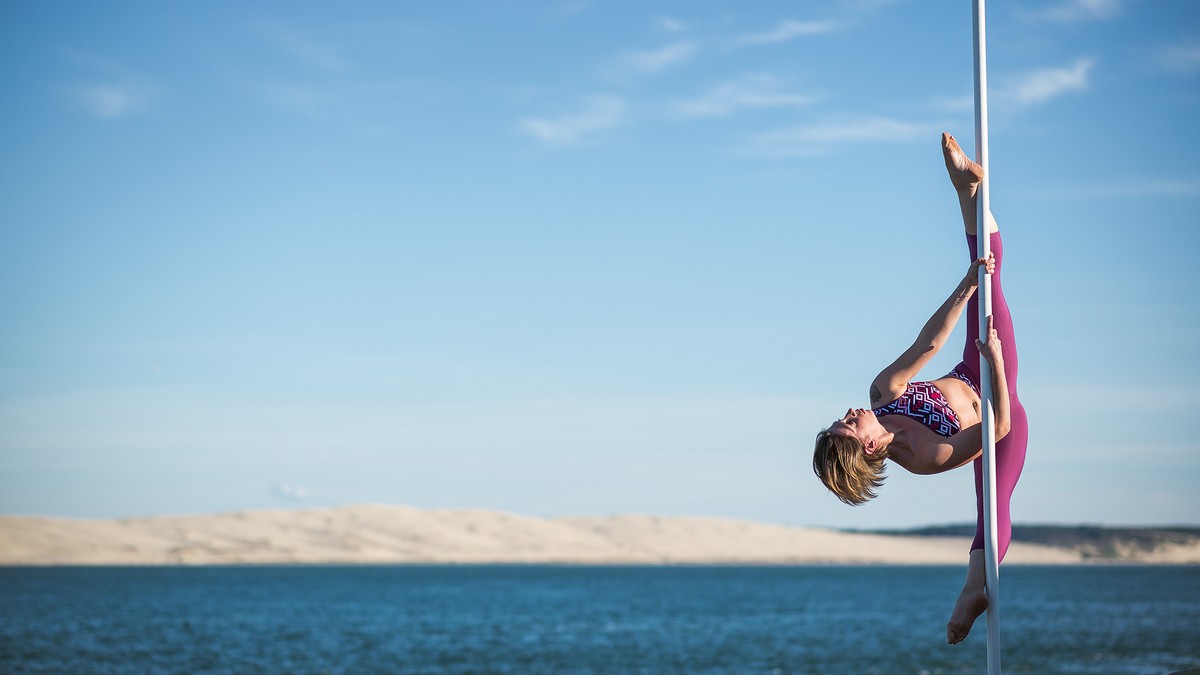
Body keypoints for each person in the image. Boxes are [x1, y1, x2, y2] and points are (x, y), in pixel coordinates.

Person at [812, 132, 1028, 645]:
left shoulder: (884, 392)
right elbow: (998, 425)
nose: (851, 410)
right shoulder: (924, 456)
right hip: (1003, 406)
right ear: (866, 444)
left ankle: (966, 189)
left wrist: (967, 285)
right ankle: (971, 591)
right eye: (849, 421)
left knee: (990, 277)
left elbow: (928, 345)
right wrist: (996, 363)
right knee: (991, 506)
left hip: (971, 361)